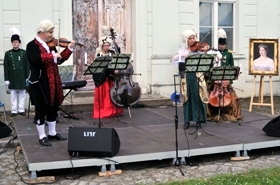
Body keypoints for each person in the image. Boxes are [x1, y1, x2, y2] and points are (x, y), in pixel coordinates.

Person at [26, 20, 75, 146]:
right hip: (40, 82)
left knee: (54, 106)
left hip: (54, 80)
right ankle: (42, 135)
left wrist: (68, 49)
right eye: (50, 32)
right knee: (41, 108)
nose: (52, 35)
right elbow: (37, 60)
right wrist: (52, 56)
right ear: (41, 32)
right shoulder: (32, 45)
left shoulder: (51, 45)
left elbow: (59, 60)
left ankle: (52, 133)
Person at [170, 29, 209, 130]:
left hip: (197, 76)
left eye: (193, 38)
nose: (192, 40)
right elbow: (172, 59)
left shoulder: (198, 50)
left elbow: (205, 59)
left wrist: (204, 51)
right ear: (186, 40)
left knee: (197, 97)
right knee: (187, 98)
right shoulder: (182, 50)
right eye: (190, 38)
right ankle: (187, 120)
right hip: (186, 76)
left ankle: (198, 120)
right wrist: (182, 55)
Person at [206, 28, 243, 122]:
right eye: (220, 45)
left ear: (225, 45)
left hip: (226, 81)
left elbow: (232, 67)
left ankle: (232, 113)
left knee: (234, 98)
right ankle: (211, 113)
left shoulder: (229, 53)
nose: (222, 46)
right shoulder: (214, 53)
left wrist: (229, 81)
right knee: (207, 95)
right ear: (218, 44)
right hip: (215, 81)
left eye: (223, 45)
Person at [4, 27, 29, 117]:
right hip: (12, 76)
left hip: (22, 76)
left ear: (19, 43)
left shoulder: (24, 53)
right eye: (13, 42)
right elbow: (5, 67)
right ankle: (14, 110)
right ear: (12, 43)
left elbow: (27, 66)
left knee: (22, 94)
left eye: (16, 42)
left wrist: (27, 77)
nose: (15, 43)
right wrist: (7, 78)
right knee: (13, 94)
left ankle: (21, 109)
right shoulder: (8, 53)